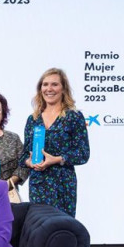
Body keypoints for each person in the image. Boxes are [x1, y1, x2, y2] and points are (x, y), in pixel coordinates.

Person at [20, 68, 90, 217]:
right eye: (45, 85)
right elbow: (24, 154)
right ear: (40, 89)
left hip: (63, 185)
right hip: (39, 184)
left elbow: (83, 154)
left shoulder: (74, 117)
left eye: (54, 84)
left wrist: (57, 159)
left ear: (63, 89)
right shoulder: (33, 119)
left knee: (63, 230)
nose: (49, 89)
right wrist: (29, 162)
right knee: (40, 229)